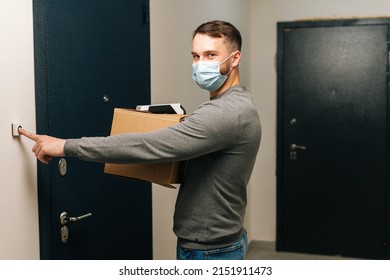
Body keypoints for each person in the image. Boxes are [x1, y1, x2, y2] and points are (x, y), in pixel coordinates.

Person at [20, 20, 261, 260]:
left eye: (210, 55)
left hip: (211, 251)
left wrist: (65, 146)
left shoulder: (226, 112)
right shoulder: (231, 106)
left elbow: (149, 146)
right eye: (196, 56)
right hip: (213, 242)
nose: (200, 64)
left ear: (235, 58)